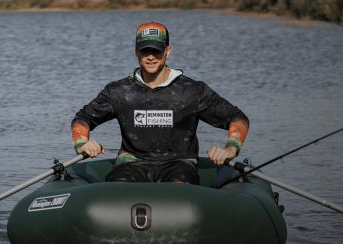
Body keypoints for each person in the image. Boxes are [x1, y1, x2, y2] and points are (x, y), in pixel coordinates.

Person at [71, 21, 249, 184]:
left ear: (167, 51)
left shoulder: (193, 91)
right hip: (131, 164)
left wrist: (230, 149)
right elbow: (82, 119)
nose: (150, 57)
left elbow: (237, 118)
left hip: (179, 165)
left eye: (156, 50)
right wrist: (82, 143)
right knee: (116, 192)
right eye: (144, 50)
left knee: (179, 188)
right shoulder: (118, 91)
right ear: (135, 51)